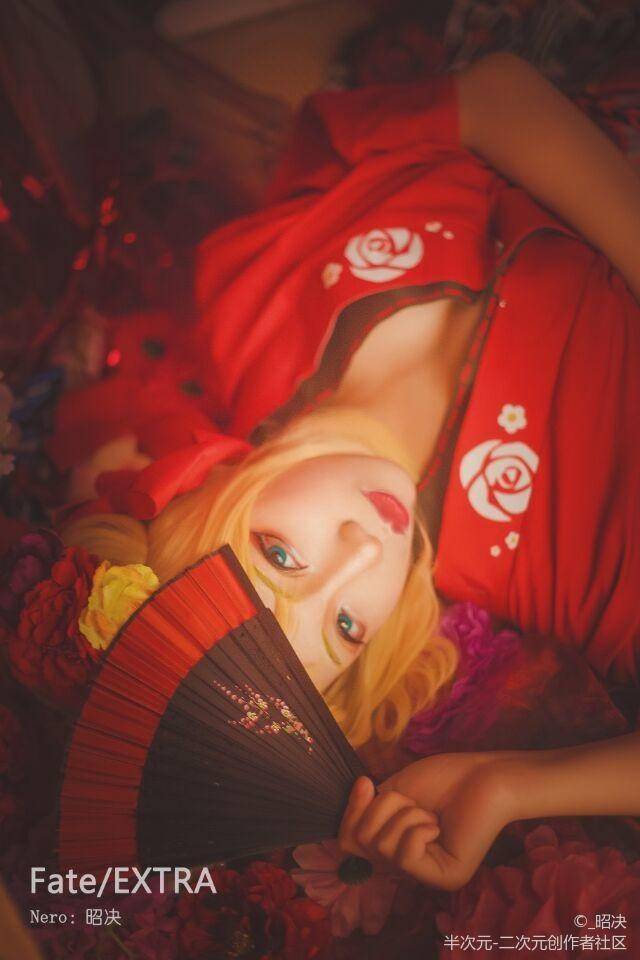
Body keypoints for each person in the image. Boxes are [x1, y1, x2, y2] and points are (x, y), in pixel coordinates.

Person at [56, 52, 640, 891]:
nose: (365, 554)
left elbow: (493, 97)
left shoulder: (249, 304)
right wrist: (511, 786)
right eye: (345, 628)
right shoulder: (556, 571)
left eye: (281, 557)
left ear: (210, 500)